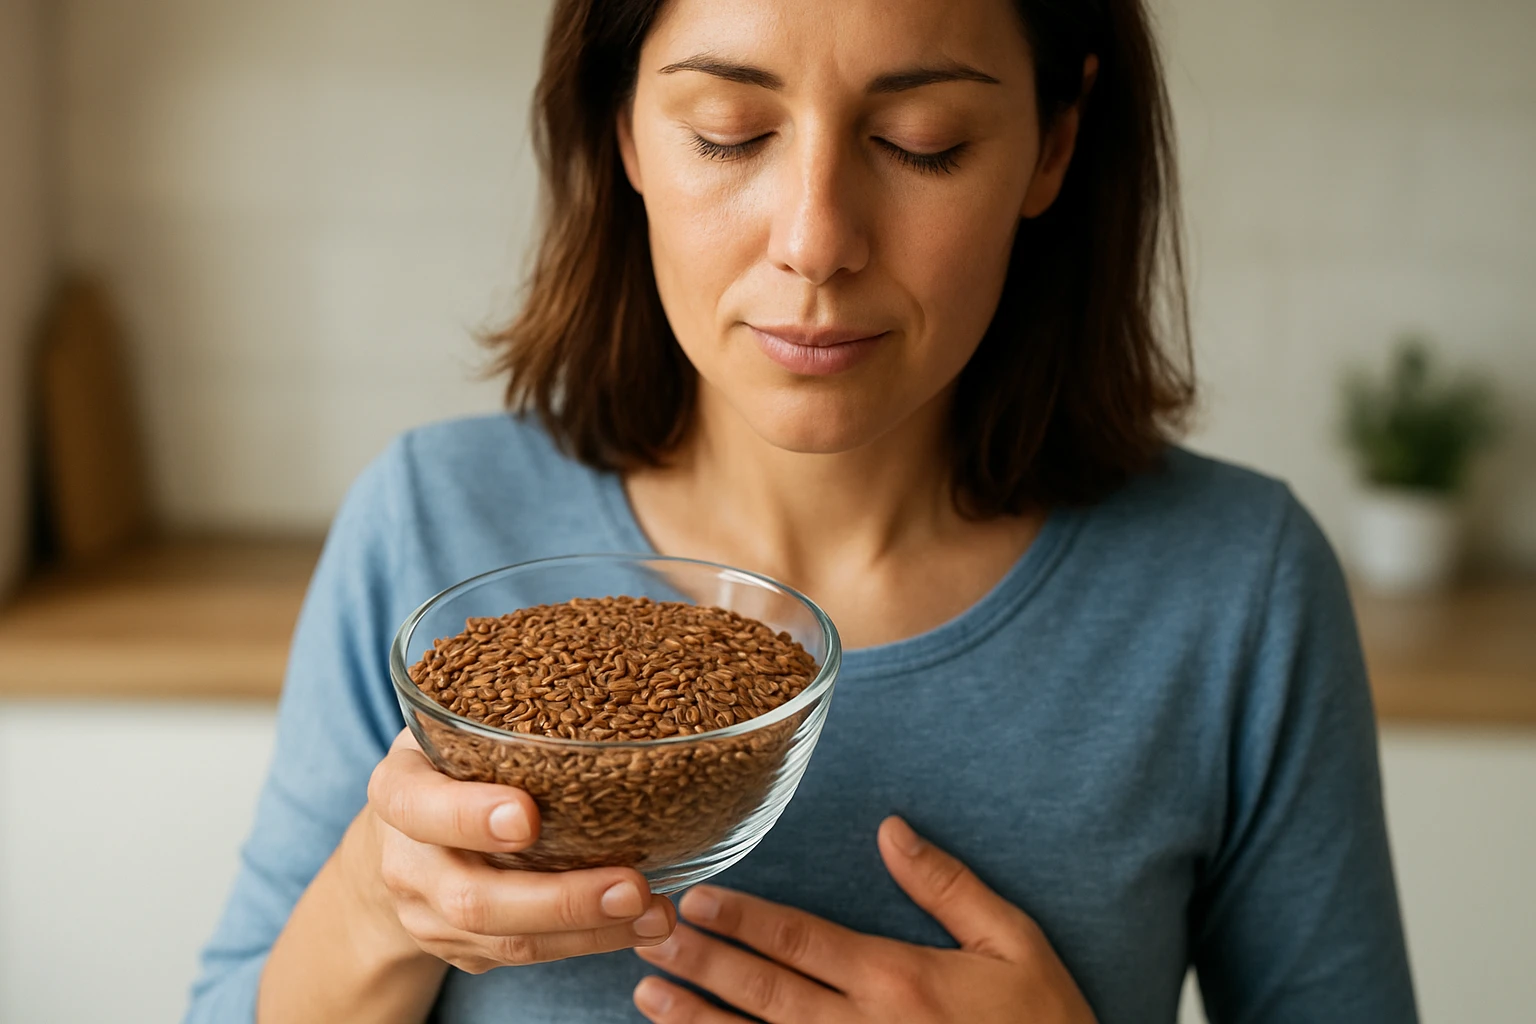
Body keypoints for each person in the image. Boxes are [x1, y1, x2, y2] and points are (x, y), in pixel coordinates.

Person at [186, 0, 1419, 1020]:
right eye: (727, 134)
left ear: (1053, 143)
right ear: (623, 128)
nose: (816, 240)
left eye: (924, 142)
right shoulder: (428, 524)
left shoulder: (1237, 589)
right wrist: (376, 905)